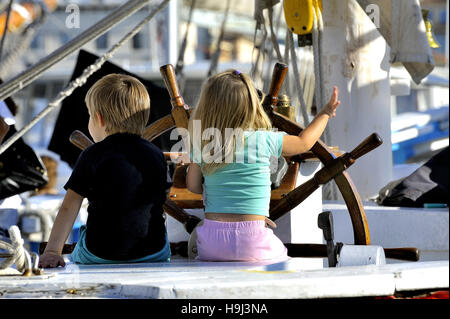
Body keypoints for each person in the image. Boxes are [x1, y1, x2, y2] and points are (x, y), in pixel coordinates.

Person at [186, 70, 340, 262]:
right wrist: (324, 114)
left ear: (207, 106)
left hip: (211, 243)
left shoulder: (203, 144)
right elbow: (304, 142)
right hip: (253, 240)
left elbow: (192, 186)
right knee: (285, 260)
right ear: (251, 106)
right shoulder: (263, 139)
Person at [39, 74, 171, 268]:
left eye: (90, 115)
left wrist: (52, 251)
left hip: (100, 253)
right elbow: (162, 196)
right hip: (154, 252)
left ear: (98, 119)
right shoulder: (156, 155)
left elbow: (69, 207)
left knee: (84, 236)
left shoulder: (92, 155)